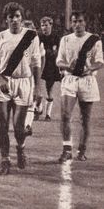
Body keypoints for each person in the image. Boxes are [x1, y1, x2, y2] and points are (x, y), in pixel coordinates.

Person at [0, 2, 42, 175]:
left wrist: (37, 88)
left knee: (18, 127)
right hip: (5, 83)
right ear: (6, 20)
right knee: (3, 125)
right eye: (11, 17)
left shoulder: (31, 36)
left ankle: (21, 148)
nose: (15, 20)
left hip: (24, 83)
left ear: (22, 18)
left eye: (18, 16)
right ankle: (5, 160)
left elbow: (36, 64)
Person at [56, 10, 103, 163]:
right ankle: (66, 149)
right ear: (71, 23)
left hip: (87, 80)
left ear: (85, 22)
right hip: (70, 79)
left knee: (85, 119)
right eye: (74, 21)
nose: (77, 24)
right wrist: (68, 66)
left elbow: (100, 61)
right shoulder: (65, 40)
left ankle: (81, 150)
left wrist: (89, 68)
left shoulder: (94, 40)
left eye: (80, 21)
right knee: (65, 115)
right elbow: (59, 61)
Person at [22, 20, 45, 135]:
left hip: (31, 75)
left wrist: (39, 74)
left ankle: (28, 125)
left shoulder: (37, 42)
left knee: (31, 100)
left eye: (30, 30)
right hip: (19, 77)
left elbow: (42, 58)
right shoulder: (16, 41)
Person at [39, 16, 62, 121]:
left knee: (49, 90)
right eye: (42, 25)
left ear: (51, 25)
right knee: (37, 86)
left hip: (51, 66)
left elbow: (57, 52)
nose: (44, 27)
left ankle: (48, 114)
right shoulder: (38, 37)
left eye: (46, 25)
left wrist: (49, 52)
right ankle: (37, 108)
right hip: (39, 65)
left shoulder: (56, 37)